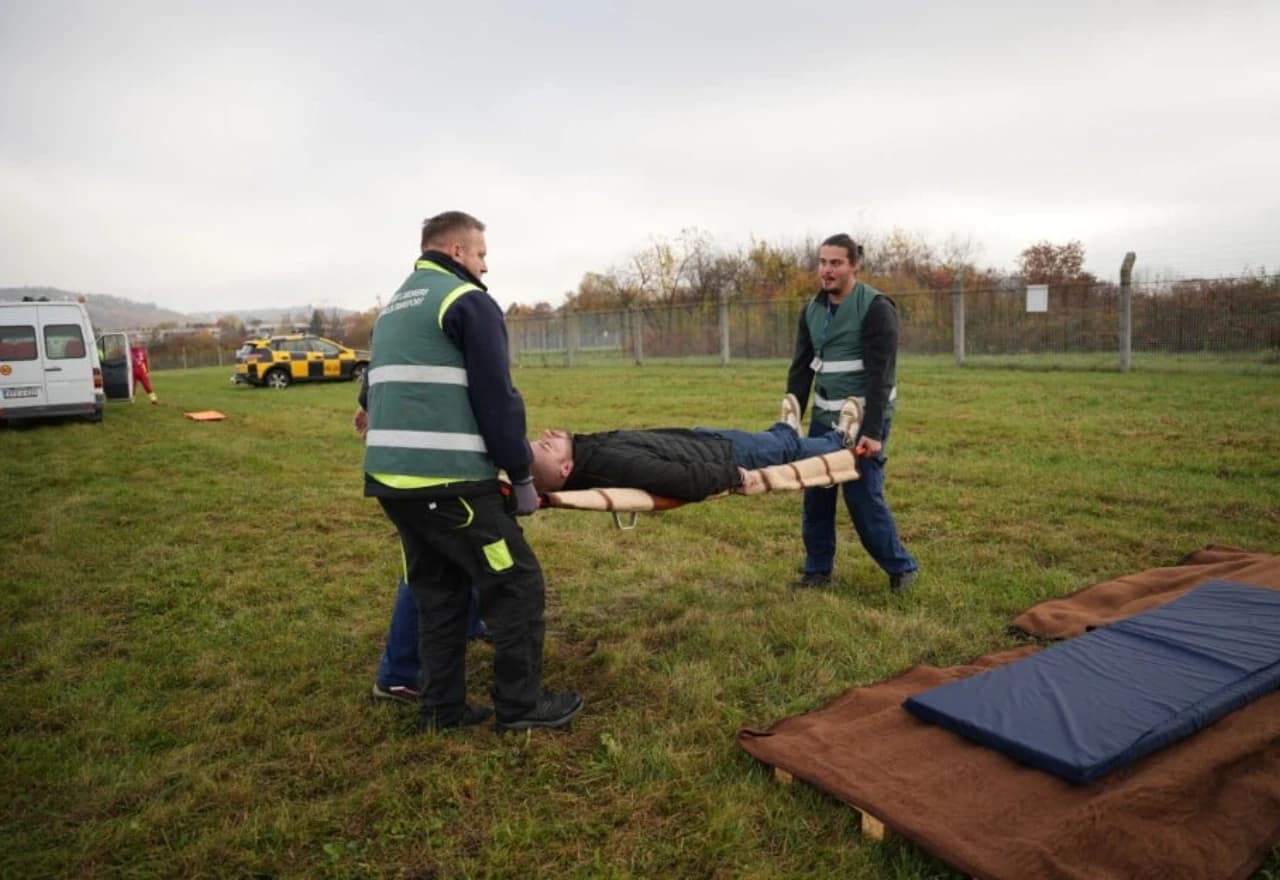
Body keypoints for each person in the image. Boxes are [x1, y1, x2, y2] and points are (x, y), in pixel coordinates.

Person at [359, 210, 582, 732]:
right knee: (517, 585)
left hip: (393, 484)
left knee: (441, 593)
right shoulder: (466, 302)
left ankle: (443, 708)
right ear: (457, 252)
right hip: (450, 485)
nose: (486, 267)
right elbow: (497, 397)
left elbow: (372, 386)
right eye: (481, 254)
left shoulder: (395, 306)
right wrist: (520, 475)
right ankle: (521, 708)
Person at [786, 234, 918, 593]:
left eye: (836, 263)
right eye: (823, 262)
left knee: (862, 499)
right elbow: (801, 369)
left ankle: (901, 569)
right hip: (823, 420)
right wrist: (790, 420)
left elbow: (881, 375)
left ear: (854, 265)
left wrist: (872, 431)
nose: (826, 271)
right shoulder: (812, 310)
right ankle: (817, 572)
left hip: (864, 420)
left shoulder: (876, 308)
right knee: (816, 495)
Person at [527, 396, 863, 500]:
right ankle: (840, 441)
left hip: (699, 441)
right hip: (722, 455)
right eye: (547, 444)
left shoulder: (590, 454)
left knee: (776, 443)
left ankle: (785, 433)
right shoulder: (607, 463)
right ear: (565, 469)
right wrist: (731, 474)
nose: (549, 433)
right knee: (783, 447)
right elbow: (677, 479)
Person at [130, 338, 159, 404]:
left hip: (142, 371)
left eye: (137, 343)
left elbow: (146, 361)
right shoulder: (129, 352)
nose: (136, 344)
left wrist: (147, 371)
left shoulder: (142, 351)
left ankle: (153, 399)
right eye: (134, 343)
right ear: (131, 344)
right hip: (132, 372)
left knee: (147, 385)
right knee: (132, 387)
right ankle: (132, 400)